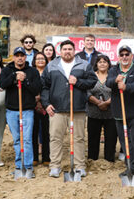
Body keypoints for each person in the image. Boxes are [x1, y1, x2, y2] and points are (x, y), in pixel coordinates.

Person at [41, 40, 97, 178]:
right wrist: (46, 104)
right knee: (55, 138)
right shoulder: (52, 65)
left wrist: (78, 82)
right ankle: (54, 166)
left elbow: (92, 81)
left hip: (77, 109)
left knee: (78, 138)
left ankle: (80, 166)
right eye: (64, 49)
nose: (67, 51)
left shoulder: (83, 65)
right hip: (57, 110)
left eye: (70, 49)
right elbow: (44, 87)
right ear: (60, 51)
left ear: (74, 50)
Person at [106, 45, 134, 182]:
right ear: (119, 57)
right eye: (122, 54)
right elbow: (108, 82)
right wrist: (115, 80)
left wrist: (126, 87)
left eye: (127, 54)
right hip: (120, 113)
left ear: (131, 56)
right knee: (126, 143)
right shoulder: (114, 70)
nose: (124, 57)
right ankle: (131, 166)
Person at [0, 47, 42, 178]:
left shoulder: (33, 71)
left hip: (27, 110)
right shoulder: (7, 70)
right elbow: (2, 84)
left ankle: (28, 166)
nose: (20, 58)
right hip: (12, 111)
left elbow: (36, 89)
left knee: (27, 139)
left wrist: (25, 81)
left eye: (22, 55)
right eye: (17, 55)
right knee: (17, 139)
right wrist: (14, 77)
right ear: (13, 57)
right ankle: (19, 165)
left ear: (25, 57)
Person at [87, 54, 117, 162]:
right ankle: (92, 159)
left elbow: (117, 92)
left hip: (111, 112)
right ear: (96, 64)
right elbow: (87, 91)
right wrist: (98, 102)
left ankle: (109, 159)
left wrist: (107, 103)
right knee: (93, 137)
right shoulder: (91, 76)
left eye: (105, 62)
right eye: (100, 62)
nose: (102, 64)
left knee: (111, 137)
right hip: (93, 112)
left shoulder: (113, 77)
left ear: (109, 64)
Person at [32, 52, 50, 166]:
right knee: (33, 132)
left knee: (46, 132)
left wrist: (43, 99)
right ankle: (34, 157)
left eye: (42, 59)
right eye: (38, 59)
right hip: (32, 105)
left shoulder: (49, 72)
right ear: (34, 61)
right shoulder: (31, 72)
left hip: (46, 106)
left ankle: (46, 157)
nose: (40, 61)